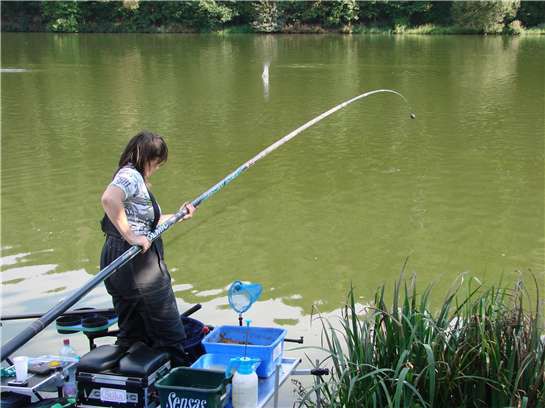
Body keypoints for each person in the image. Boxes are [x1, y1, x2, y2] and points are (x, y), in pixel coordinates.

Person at [100, 130, 196, 366]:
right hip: (138, 263)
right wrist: (131, 236)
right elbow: (109, 199)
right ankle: (176, 377)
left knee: (132, 329)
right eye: (157, 163)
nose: (157, 168)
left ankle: (131, 377)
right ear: (149, 158)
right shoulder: (131, 176)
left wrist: (178, 216)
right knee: (169, 329)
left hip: (116, 258)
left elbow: (145, 223)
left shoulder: (131, 176)